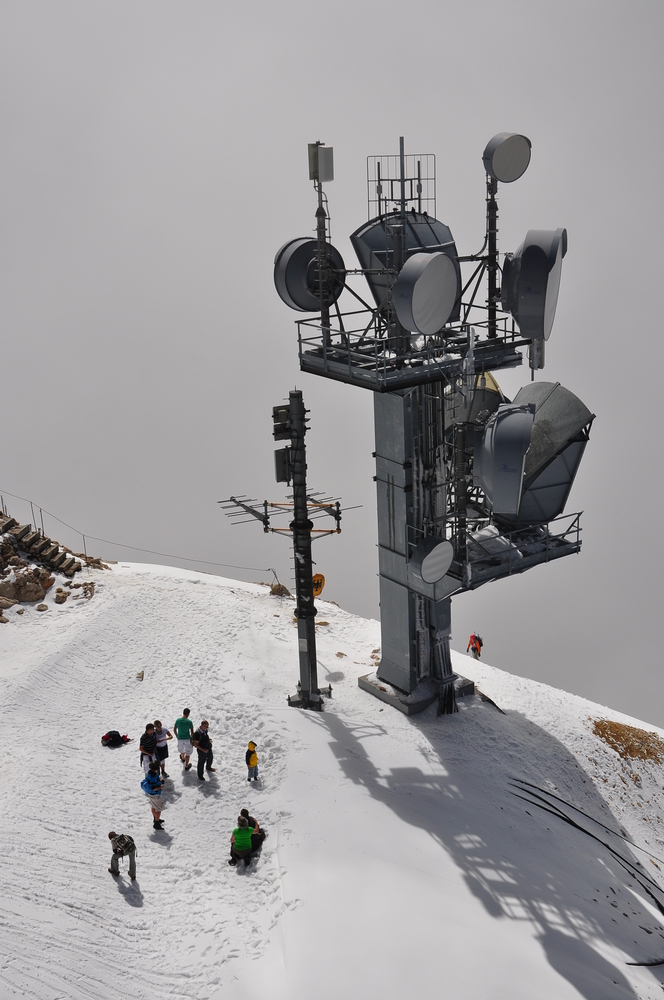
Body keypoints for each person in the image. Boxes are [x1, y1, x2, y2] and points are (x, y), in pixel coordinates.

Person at [141, 761, 165, 829]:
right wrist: (160, 787)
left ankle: (155, 818)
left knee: (153, 806)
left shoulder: (149, 773)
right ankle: (156, 823)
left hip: (151, 795)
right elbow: (153, 788)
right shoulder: (154, 777)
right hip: (156, 795)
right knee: (158, 809)